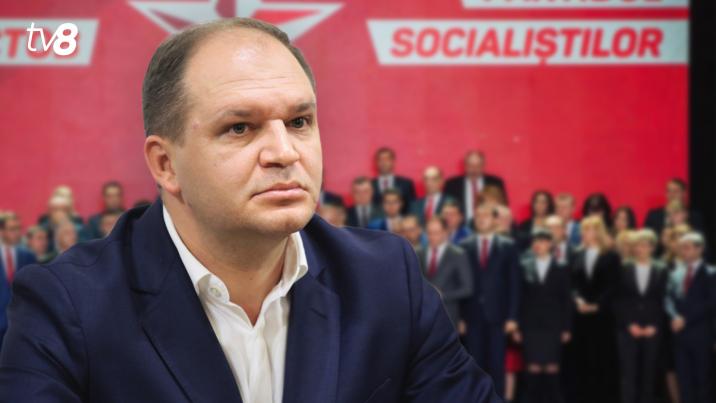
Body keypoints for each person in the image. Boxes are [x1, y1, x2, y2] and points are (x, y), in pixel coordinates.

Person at [0, 18, 499, 402]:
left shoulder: (386, 279)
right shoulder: (68, 306)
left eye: (299, 121)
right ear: (166, 164)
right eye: (240, 127)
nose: (284, 152)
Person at [459, 202, 521, 398]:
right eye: (478, 216)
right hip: (472, 317)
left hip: (499, 317)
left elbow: (514, 284)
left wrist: (512, 317)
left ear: (495, 220)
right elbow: (462, 284)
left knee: (496, 366)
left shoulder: (508, 246)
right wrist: (461, 317)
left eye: (486, 215)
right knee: (474, 366)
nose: (481, 219)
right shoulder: (464, 246)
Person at [514, 228, 572, 403]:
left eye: (542, 241)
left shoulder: (561, 267)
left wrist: (567, 328)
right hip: (530, 325)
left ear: (550, 244)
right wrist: (517, 327)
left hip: (553, 325)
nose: (538, 244)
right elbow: (518, 297)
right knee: (533, 367)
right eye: (535, 241)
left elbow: (566, 300)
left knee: (552, 367)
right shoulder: (524, 265)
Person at [612, 229, 668, 403]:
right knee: (628, 373)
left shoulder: (661, 269)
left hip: (652, 329)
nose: (640, 249)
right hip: (627, 329)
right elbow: (617, 299)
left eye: (644, 245)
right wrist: (629, 324)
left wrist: (655, 325)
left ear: (652, 247)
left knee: (649, 373)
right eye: (637, 245)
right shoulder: (623, 267)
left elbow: (663, 299)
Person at [570, 215, 620, 403]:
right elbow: (572, 284)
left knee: (602, 358)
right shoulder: (576, 254)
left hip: (603, 317)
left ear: (598, 232)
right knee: (582, 359)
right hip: (581, 316)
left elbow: (613, 285)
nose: (584, 233)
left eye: (589, 229)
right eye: (583, 229)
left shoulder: (611, 256)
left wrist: (597, 305)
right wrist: (578, 301)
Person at [665, 232, 716, 403]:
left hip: (701, 335)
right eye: (682, 248)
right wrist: (674, 316)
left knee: (702, 381)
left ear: (699, 249)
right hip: (680, 336)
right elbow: (668, 297)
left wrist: (685, 319)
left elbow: (710, 303)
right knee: (684, 381)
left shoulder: (711, 273)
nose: (683, 251)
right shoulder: (676, 273)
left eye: (687, 248)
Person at [416, 217, 473, 329]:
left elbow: (467, 289)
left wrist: (443, 295)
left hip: (448, 315)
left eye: (436, 233)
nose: (432, 237)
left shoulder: (458, 255)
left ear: (446, 232)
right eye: (429, 233)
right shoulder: (418, 253)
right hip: (422, 316)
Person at [444, 150, 508, 223]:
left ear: (483, 165)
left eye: (478, 165)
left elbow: (503, 206)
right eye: (470, 165)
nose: (474, 169)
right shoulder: (452, 185)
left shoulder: (495, 183)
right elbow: (447, 208)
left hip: (490, 225)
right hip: (461, 227)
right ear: (464, 165)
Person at [371, 147, 416, 214]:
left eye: (387, 159)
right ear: (376, 163)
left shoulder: (406, 184)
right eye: (380, 159)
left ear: (393, 161)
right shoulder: (369, 185)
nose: (383, 162)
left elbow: (412, 208)